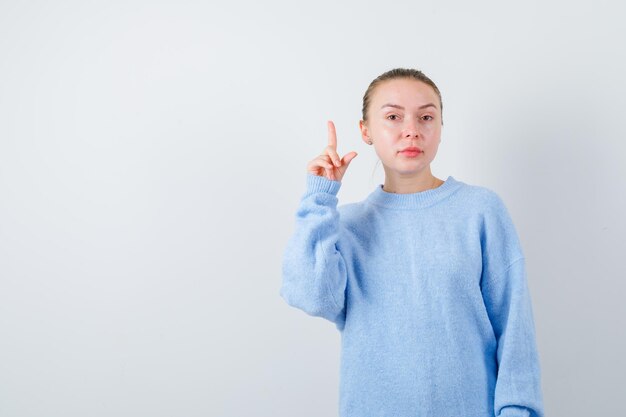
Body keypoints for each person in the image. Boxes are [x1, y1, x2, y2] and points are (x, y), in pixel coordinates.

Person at [280, 68, 545, 417]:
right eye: (393, 116)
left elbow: (514, 331)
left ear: (439, 129)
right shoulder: (346, 224)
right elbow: (309, 295)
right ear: (366, 131)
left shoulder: (480, 210)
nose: (412, 130)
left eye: (426, 117)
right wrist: (319, 198)